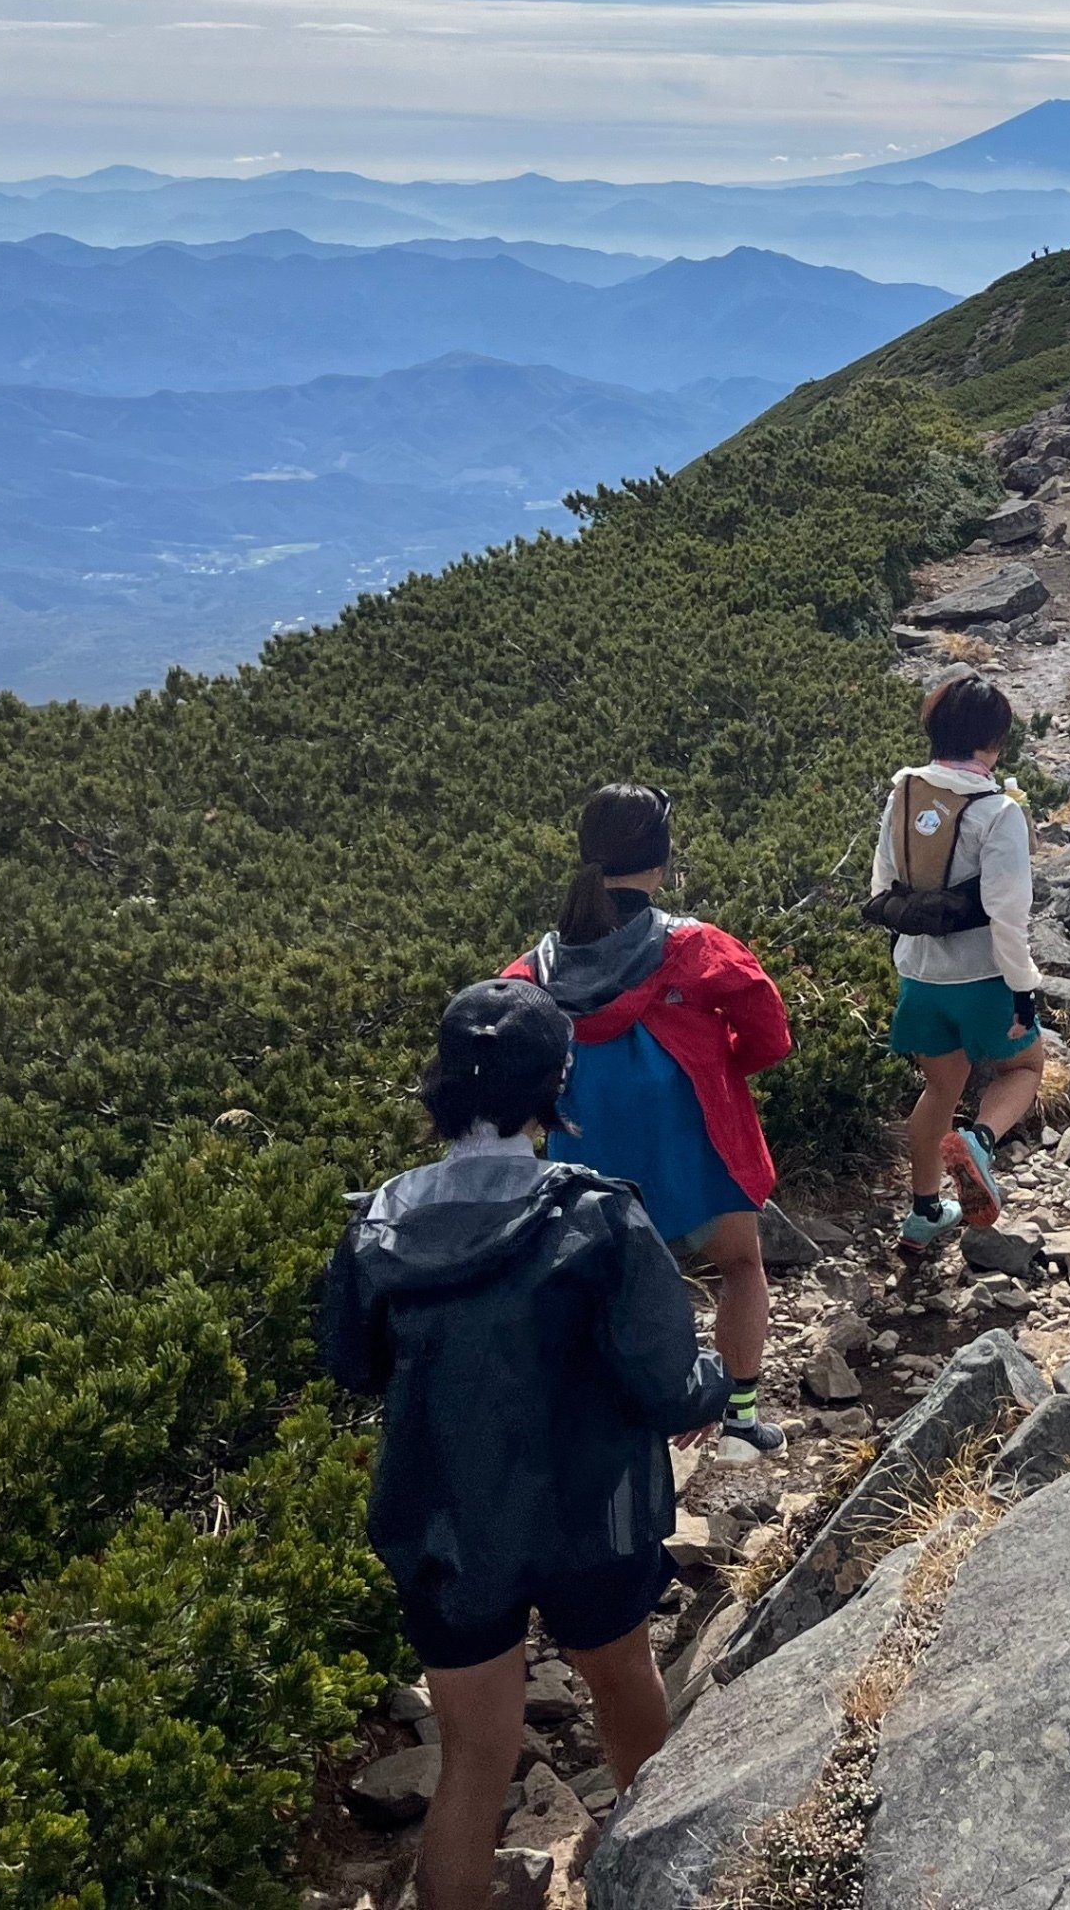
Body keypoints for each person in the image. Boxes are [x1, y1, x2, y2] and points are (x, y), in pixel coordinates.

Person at [318, 982, 730, 1910]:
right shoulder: (595, 1215)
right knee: (623, 1683)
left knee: (473, 1756)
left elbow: (352, 1361)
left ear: (442, 1085)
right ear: (558, 1083)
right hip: (590, 1512)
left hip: (446, 1521)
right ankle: (655, 1881)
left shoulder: (379, 1223)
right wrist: (713, 1388)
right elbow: (664, 1381)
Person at [502, 783, 794, 1450]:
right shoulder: (696, 948)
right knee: (741, 1269)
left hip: (591, 1161)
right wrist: (722, 1066)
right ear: (660, 864)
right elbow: (769, 1036)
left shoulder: (535, 969)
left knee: (617, 1294)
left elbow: (509, 1048)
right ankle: (738, 1418)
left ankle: (633, 1420)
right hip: (696, 1148)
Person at [877, 671, 1046, 1248]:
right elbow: (1007, 911)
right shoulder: (997, 810)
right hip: (983, 976)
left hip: (919, 973)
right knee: (1022, 1070)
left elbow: (885, 884)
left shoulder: (902, 793)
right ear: (992, 743)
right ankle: (980, 1142)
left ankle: (924, 1212)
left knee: (940, 1086)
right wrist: (1023, 986)